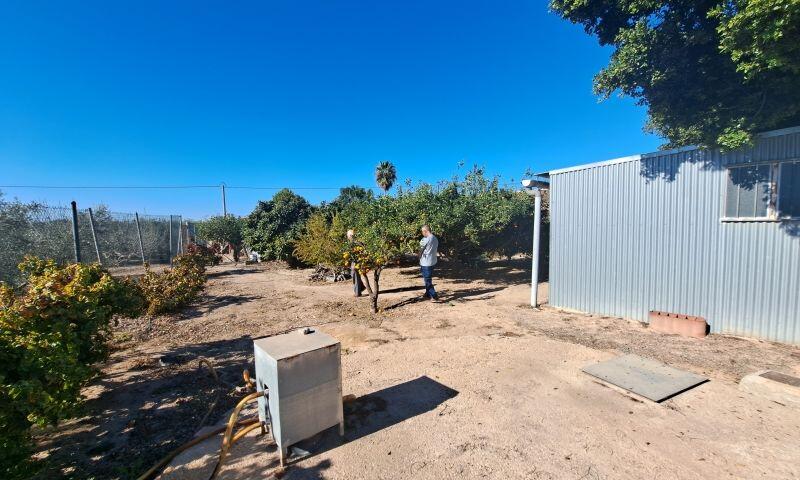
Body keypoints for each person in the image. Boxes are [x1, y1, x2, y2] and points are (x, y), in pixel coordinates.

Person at [418, 225, 439, 301]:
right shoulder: (435, 238)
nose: (422, 233)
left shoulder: (425, 239)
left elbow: (420, 250)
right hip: (433, 261)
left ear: (425, 231)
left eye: (422, 231)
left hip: (425, 262)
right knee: (427, 278)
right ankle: (427, 294)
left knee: (427, 280)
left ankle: (434, 296)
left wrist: (418, 257)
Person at [346, 229, 365, 297]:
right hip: (353, 261)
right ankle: (361, 287)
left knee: (355, 273)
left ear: (351, 235)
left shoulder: (356, 242)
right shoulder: (351, 242)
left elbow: (362, 249)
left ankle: (357, 292)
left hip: (357, 261)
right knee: (353, 274)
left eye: (348, 236)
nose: (348, 237)